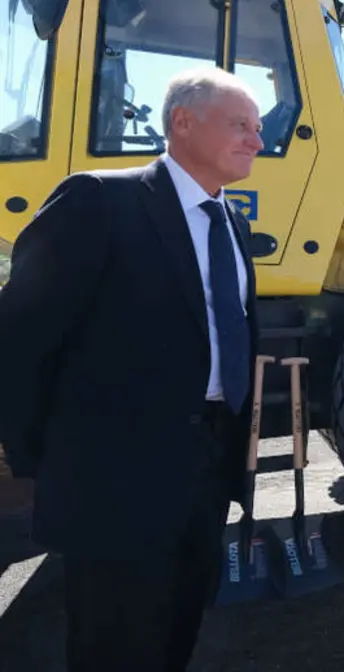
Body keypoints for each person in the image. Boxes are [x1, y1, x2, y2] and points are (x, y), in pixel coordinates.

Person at [0, 67, 264, 671]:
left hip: (206, 469)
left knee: (177, 630)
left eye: (256, 128)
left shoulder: (233, 223)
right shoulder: (99, 199)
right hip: (113, 481)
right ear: (182, 123)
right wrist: (42, 456)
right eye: (240, 125)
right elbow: (21, 337)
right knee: (111, 644)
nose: (256, 140)